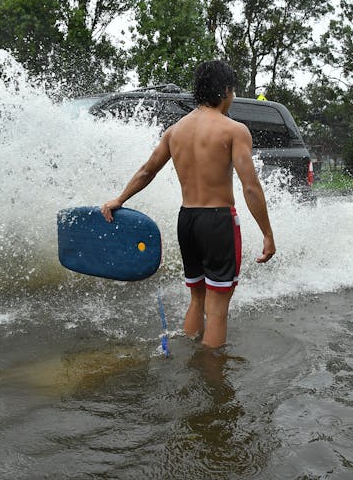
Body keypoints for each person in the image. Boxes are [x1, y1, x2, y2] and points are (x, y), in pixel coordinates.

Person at [101, 60, 275, 349]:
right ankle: (210, 377)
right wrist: (267, 233)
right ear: (225, 91)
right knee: (218, 307)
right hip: (218, 222)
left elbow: (147, 171)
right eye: (232, 92)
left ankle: (189, 357)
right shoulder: (234, 130)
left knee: (197, 297)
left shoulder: (175, 131)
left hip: (187, 221)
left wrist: (119, 199)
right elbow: (250, 187)